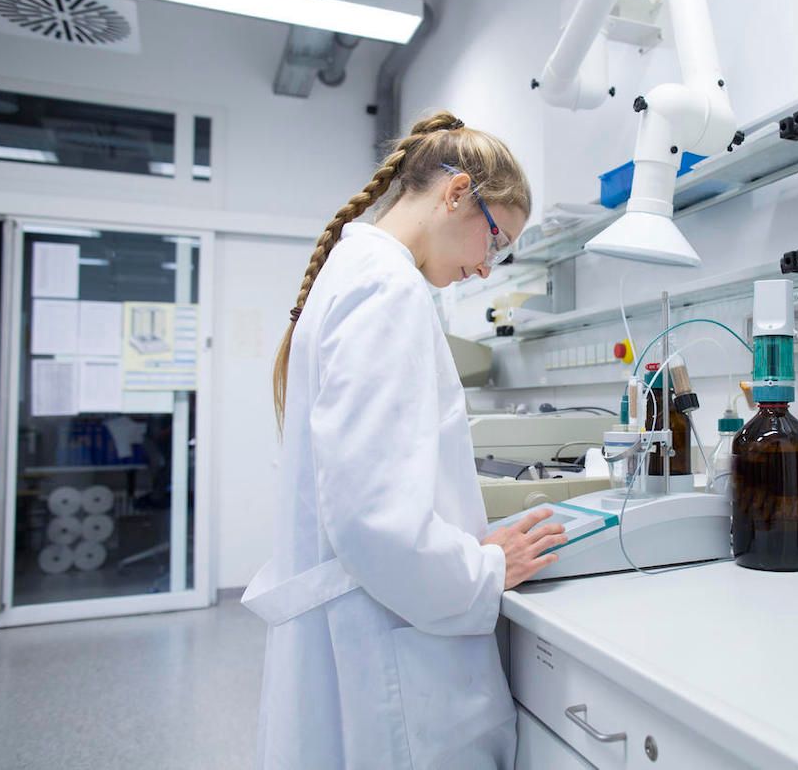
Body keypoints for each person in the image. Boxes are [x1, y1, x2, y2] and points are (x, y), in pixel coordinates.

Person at [242, 111, 567, 769]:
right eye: (495, 240)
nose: (485, 268)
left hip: (366, 626)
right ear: (455, 194)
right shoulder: (389, 288)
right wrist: (487, 567)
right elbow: (373, 520)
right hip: (387, 644)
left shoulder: (357, 269)